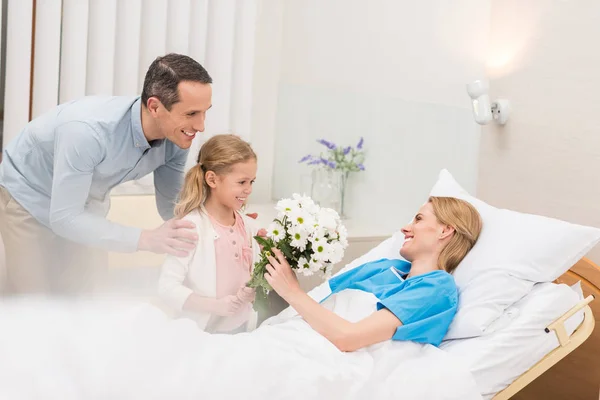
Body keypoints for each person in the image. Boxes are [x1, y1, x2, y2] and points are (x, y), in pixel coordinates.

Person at [0, 53, 212, 295]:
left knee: (91, 293)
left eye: (205, 112)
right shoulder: (88, 132)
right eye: (191, 114)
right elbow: (64, 218)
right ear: (154, 106)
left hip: (84, 203)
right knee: (33, 299)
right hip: (27, 196)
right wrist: (145, 239)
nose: (201, 126)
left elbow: (171, 208)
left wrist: (218, 217)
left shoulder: (176, 138)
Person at [263, 196, 482, 350]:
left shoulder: (437, 288)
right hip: (293, 339)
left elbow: (348, 338)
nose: (405, 228)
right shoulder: (383, 267)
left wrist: (292, 291)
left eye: (418, 219)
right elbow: (319, 304)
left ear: (445, 230)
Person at [158, 134, 260, 333]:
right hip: (203, 333)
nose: (248, 190)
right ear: (212, 179)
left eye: (252, 182)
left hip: (242, 329)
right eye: (241, 182)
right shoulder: (190, 227)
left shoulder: (248, 226)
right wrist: (216, 306)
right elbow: (167, 288)